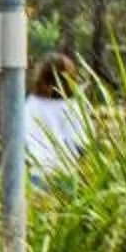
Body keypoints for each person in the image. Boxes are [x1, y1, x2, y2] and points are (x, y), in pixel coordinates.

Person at [22, 52, 90, 182]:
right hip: (67, 173)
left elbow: (23, 139)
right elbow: (81, 143)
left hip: (37, 173)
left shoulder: (31, 104)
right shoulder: (74, 106)